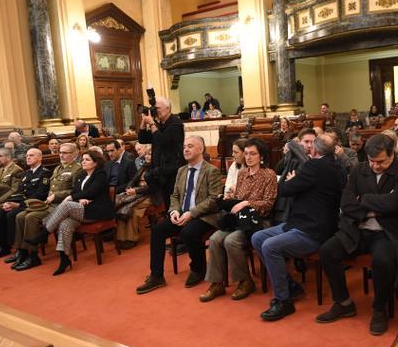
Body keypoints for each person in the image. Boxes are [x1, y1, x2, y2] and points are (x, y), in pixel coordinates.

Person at [318, 133, 398, 334]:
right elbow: (346, 204)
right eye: (372, 161)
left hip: (387, 232)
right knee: (327, 251)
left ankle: (379, 309)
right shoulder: (358, 169)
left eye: (381, 162)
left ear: (393, 154)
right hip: (357, 228)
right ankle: (343, 302)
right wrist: (377, 205)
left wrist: (362, 199)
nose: (375, 166)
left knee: (383, 261)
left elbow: (396, 203)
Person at [251, 134, 346, 321]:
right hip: (309, 224)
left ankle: (283, 300)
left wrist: (292, 180)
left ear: (315, 150)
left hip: (311, 230)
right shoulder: (339, 169)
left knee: (269, 246)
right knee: (258, 238)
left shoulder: (313, 166)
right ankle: (290, 286)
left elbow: (285, 190)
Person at [135, 135, 222, 294]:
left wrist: (191, 213)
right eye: (184, 147)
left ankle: (198, 269)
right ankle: (156, 276)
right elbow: (174, 196)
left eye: (190, 146)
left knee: (188, 232)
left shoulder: (211, 171)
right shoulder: (181, 170)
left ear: (201, 149)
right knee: (158, 230)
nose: (186, 149)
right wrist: (174, 211)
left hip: (204, 216)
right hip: (182, 213)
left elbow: (214, 200)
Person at [200, 138, 277, 302]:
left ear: (261, 156)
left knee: (231, 241)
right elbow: (238, 200)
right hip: (240, 219)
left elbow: (269, 204)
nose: (248, 157)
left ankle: (245, 281)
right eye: (247, 153)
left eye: (253, 154)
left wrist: (246, 203)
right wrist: (230, 199)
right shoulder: (242, 174)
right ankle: (216, 283)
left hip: (259, 221)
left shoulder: (268, 174)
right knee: (214, 239)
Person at [27, 150, 114, 276]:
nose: (83, 162)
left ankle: (45, 233)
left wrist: (75, 197)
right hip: (83, 209)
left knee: (67, 203)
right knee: (65, 223)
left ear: (96, 163)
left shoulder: (100, 175)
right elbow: (75, 192)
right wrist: (79, 198)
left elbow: (92, 192)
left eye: (87, 160)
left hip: (97, 210)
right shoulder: (81, 175)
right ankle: (64, 259)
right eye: (83, 159)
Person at [10, 143, 81, 271]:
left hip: (62, 205)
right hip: (49, 204)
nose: (61, 155)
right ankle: (23, 251)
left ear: (74, 154)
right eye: (60, 152)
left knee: (31, 217)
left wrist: (57, 196)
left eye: (65, 153)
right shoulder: (57, 168)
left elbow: (76, 191)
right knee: (20, 216)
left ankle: (33, 256)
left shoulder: (77, 169)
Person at [0, 148, 51, 260]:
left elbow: (40, 195)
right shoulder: (26, 173)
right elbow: (18, 191)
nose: (28, 157)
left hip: (33, 204)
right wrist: (9, 202)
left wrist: (18, 205)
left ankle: (20, 250)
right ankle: (3, 246)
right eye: (27, 155)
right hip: (21, 201)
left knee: (12, 215)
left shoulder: (44, 173)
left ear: (40, 157)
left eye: (31, 155)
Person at [138, 96, 185, 210]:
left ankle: (174, 223)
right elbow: (143, 139)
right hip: (160, 171)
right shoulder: (160, 124)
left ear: (168, 108)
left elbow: (163, 141)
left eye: (157, 108)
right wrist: (144, 122)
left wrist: (152, 124)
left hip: (172, 171)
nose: (155, 110)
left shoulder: (176, 124)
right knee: (165, 203)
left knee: (172, 203)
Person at [115, 146, 159, 249]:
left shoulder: (158, 168)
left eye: (150, 154)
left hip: (152, 195)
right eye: (147, 154)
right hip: (138, 193)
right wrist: (129, 187)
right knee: (122, 208)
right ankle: (121, 238)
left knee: (131, 210)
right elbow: (134, 179)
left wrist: (136, 191)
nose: (148, 156)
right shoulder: (144, 166)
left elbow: (154, 188)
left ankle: (131, 239)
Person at [273, 128, 316, 223]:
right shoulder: (292, 158)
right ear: (299, 143)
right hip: (291, 205)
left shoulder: (319, 159)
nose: (309, 145)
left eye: (312, 142)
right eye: (306, 141)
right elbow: (278, 170)